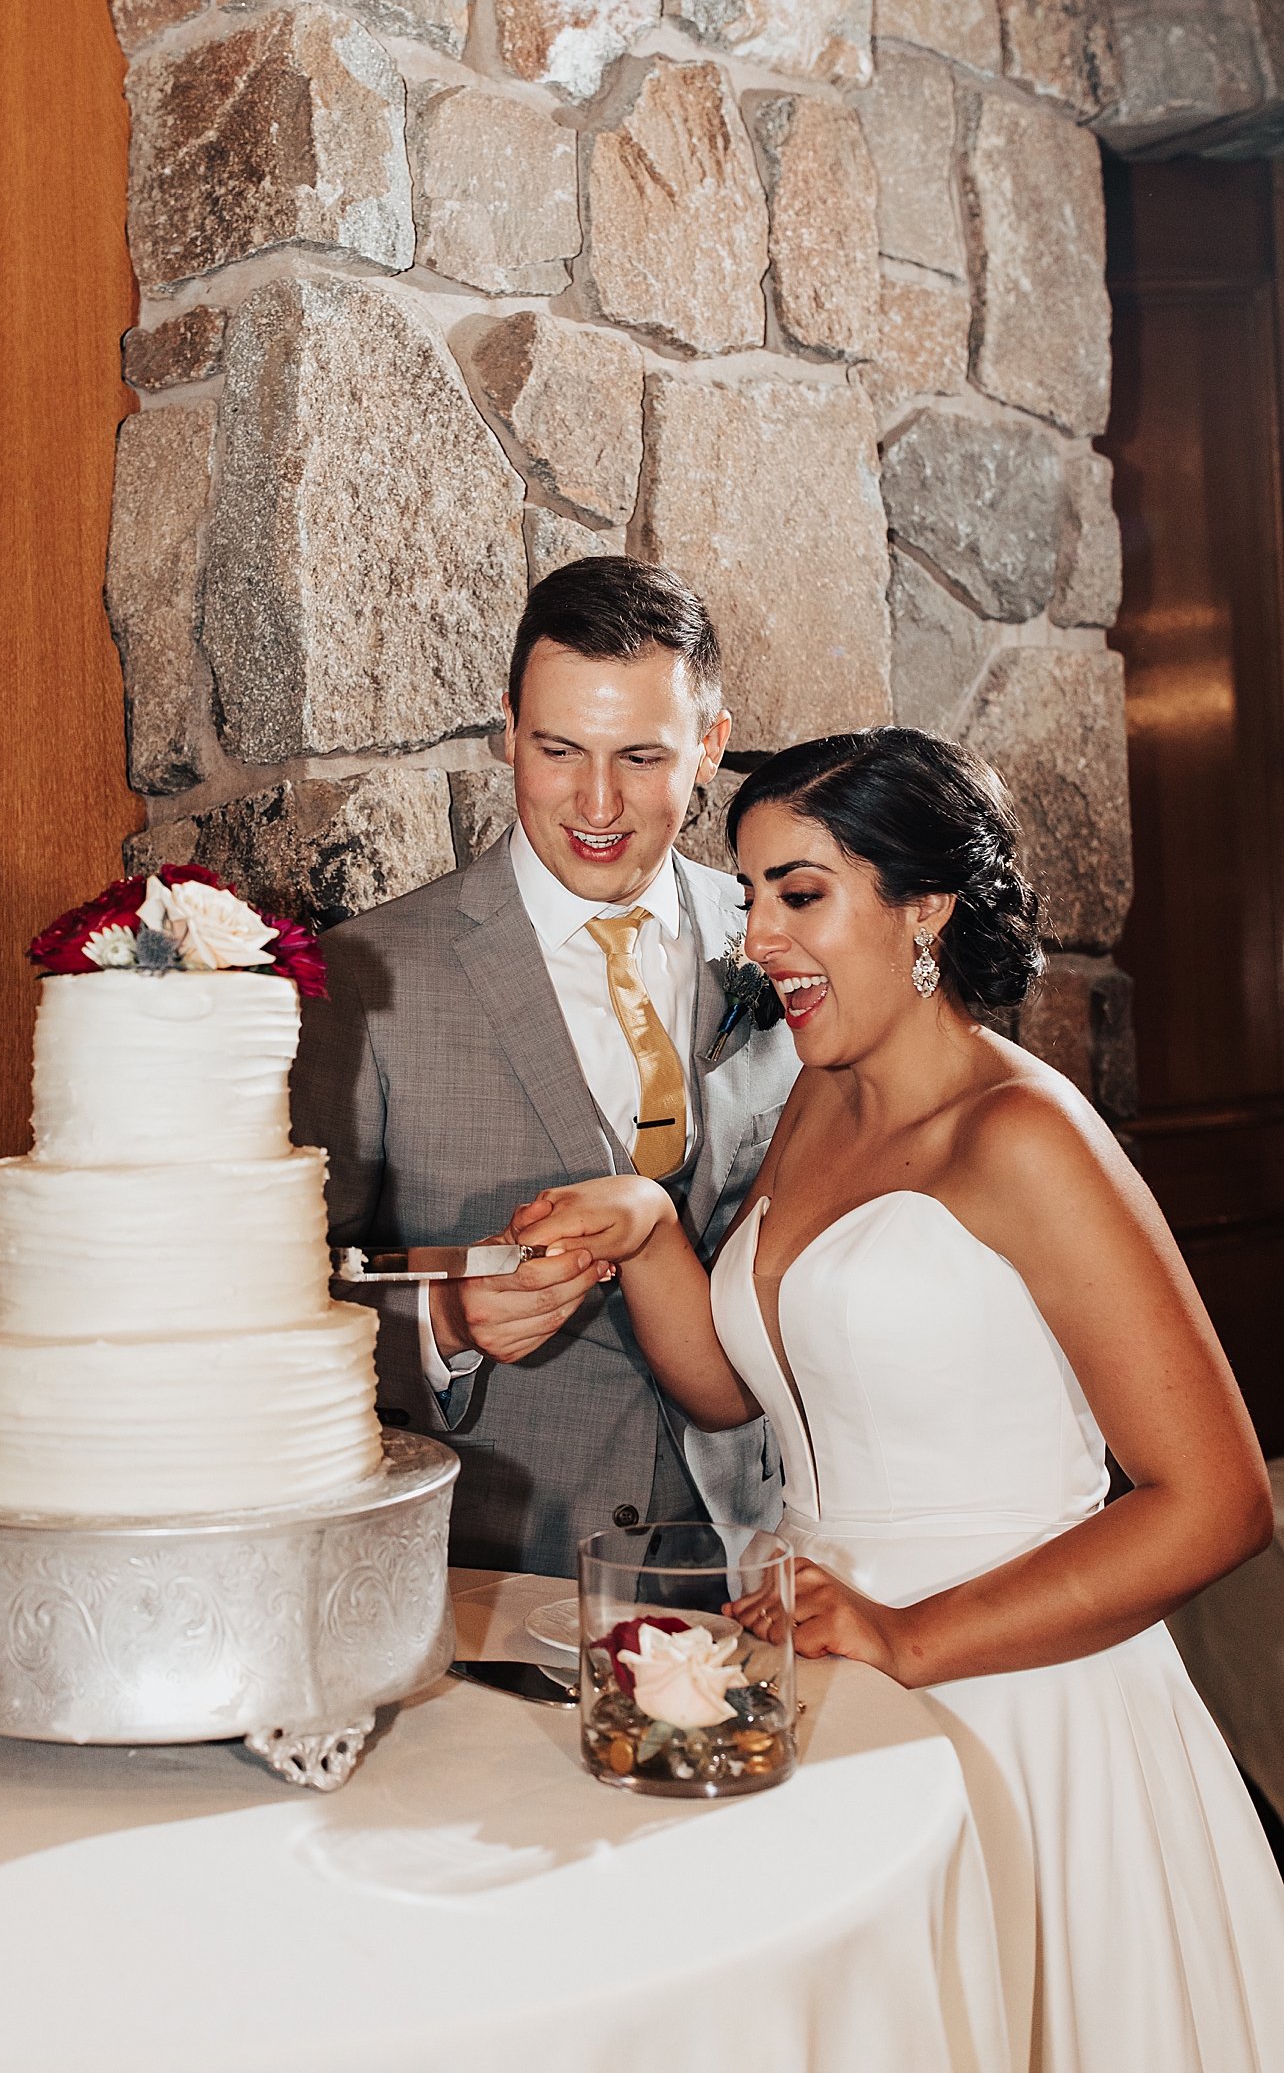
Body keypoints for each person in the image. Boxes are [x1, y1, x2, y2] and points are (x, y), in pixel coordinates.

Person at [519, 727, 1284, 2072]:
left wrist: (911, 1634)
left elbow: (1221, 1502)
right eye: (749, 892)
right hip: (823, 1681)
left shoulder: (1025, 1138)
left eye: (798, 892)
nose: (757, 934)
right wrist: (649, 1231)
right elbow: (730, 1392)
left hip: (1023, 1698)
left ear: (923, 906)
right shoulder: (820, 1100)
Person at [291, 559, 800, 1575]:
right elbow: (273, 1292)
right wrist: (438, 1321)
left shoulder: (790, 940)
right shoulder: (366, 976)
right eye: (559, 749)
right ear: (508, 735)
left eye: (643, 757)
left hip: (766, 1560)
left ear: (711, 749)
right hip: (495, 1568)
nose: (598, 801)